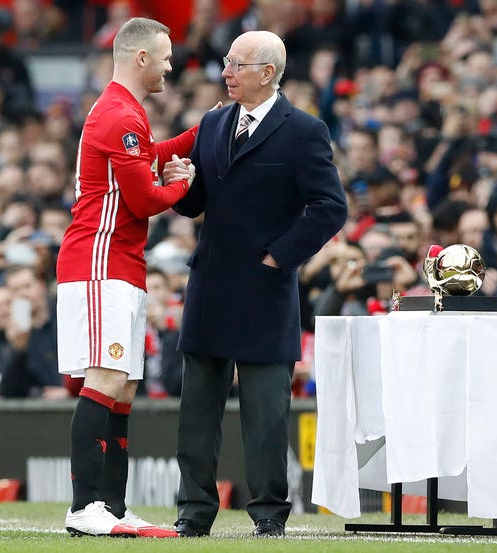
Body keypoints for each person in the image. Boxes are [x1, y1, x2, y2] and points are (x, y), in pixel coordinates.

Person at [172, 30, 347, 538]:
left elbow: (330, 206)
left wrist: (280, 258)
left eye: (234, 64)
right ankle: (194, 511)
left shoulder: (304, 131)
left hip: (266, 289)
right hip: (209, 283)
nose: (224, 72)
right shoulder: (211, 122)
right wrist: (182, 184)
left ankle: (269, 514)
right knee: (196, 412)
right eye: (226, 62)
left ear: (267, 73)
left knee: (266, 415)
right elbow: (198, 200)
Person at [56, 18, 200, 538]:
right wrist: (182, 187)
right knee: (107, 379)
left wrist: (197, 134)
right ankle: (83, 507)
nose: (169, 64)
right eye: (163, 56)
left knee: (124, 387)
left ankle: (111, 508)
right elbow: (143, 197)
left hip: (119, 261)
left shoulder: (122, 110)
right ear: (141, 58)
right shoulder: (120, 113)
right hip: (100, 259)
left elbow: (145, 160)